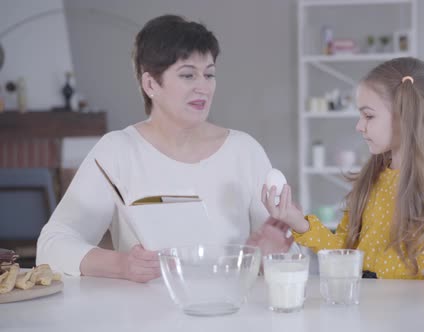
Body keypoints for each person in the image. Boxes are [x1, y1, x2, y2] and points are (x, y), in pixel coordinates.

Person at [37, 14, 291, 283]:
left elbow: (286, 260)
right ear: (150, 84)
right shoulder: (118, 151)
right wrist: (121, 264)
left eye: (209, 74)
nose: (203, 87)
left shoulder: (245, 151)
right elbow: (52, 245)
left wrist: (270, 256)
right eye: (188, 75)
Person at [263, 57, 424, 280]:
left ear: (405, 116)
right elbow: (342, 250)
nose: (359, 126)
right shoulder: (371, 176)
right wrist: (295, 220)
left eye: (369, 115)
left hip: (414, 312)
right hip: (362, 306)